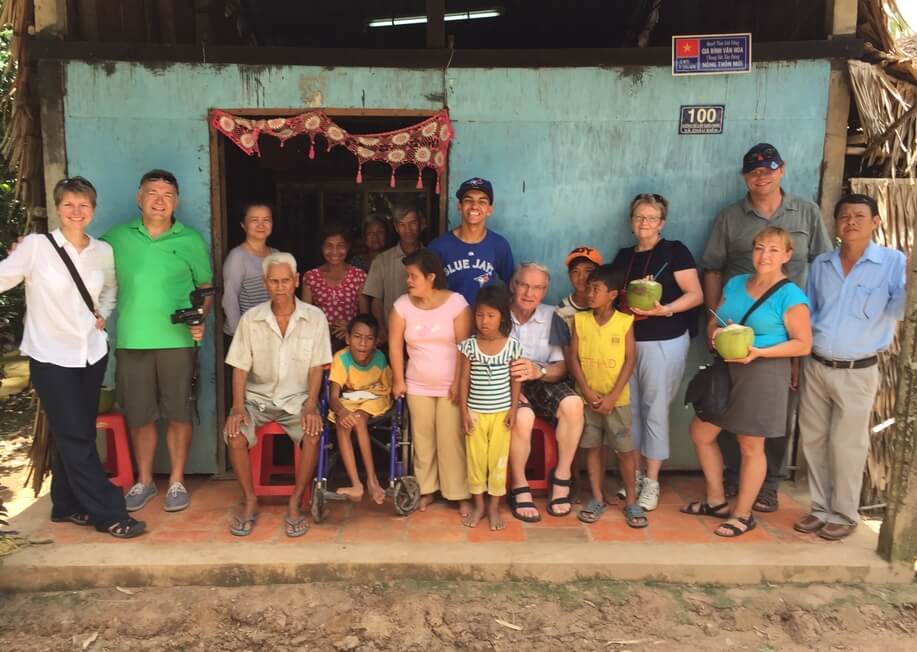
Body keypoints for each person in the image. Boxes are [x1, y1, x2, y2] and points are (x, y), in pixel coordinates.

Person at [0, 177, 144, 538]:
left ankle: (65, 504)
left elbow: (110, 287)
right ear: (57, 207)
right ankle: (109, 511)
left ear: (93, 210)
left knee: (76, 431)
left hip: (90, 353)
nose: (76, 211)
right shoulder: (36, 247)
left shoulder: (102, 251)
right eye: (69, 204)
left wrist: (102, 316)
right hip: (51, 357)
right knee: (77, 438)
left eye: (84, 205)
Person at [701, 143, 831, 512]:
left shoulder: (806, 212)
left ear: (782, 170)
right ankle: (734, 478)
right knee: (726, 407)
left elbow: (821, 267)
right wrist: (714, 323)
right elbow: (712, 267)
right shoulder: (730, 217)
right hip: (737, 328)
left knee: (773, 412)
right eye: (754, 171)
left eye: (768, 169)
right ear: (745, 177)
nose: (762, 176)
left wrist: (806, 324)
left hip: (785, 326)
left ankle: (769, 483)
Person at [683, 227, 812, 538]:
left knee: (750, 445)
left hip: (763, 372)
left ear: (786, 255)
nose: (764, 255)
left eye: (772, 249)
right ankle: (716, 500)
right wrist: (715, 332)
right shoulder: (736, 283)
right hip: (727, 369)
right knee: (701, 433)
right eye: (759, 248)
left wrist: (760, 352)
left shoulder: (790, 295)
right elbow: (717, 318)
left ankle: (743, 514)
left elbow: (803, 344)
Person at [796, 194, 907, 541]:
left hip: (858, 369)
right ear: (836, 224)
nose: (851, 222)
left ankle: (843, 513)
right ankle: (819, 508)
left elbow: (901, 308)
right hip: (817, 364)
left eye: (860, 216)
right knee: (813, 440)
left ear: (875, 222)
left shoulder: (893, 263)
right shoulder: (822, 265)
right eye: (844, 216)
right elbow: (809, 312)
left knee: (848, 444)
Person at [103, 169, 213, 513]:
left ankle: (177, 481)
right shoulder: (115, 238)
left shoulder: (190, 240)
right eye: (152, 193)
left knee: (179, 412)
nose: (159, 201)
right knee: (140, 415)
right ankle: (146, 481)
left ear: (176, 202)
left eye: (167, 195)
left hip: (178, 341)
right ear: (139, 198)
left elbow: (206, 289)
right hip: (132, 341)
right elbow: (86, 270)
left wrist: (201, 318)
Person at [223, 252, 332, 537]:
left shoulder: (315, 317)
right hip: (257, 399)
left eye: (286, 280)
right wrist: (237, 408)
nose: (280, 286)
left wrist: (311, 406)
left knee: (312, 433)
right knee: (234, 434)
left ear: (296, 281)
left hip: (297, 400)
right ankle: (249, 499)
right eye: (274, 281)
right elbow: (239, 368)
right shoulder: (251, 319)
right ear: (265, 283)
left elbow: (316, 367)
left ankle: (296, 500)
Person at [610, 194, 703, 511]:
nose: (644, 223)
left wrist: (666, 310)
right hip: (629, 341)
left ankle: (651, 481)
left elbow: (695, 294)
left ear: (661, 222)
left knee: (655, 410)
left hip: (664, 340)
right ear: (631, 220)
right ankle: (633, 476)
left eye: (651, 218)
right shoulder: (624, 257)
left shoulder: (674, 252)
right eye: (639, 217)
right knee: (631, 411)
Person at [389, 249, 472, 514]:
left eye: (413, 276)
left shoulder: (457, 304)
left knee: (451, 441)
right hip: (417, 385)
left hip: (450, 385)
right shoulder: (401, 306)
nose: (408, 281)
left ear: (431, 277)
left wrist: (459, 383)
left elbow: (464, 348)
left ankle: (457, 493)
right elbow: (394, 347)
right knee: (422, 442)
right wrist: (399, 381)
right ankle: (426, 490)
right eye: (407, 276)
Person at [566, 265, 647, 527]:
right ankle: (597, 497)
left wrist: (612, 396)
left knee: (624, 451)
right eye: (589, 288)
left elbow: (629, 360)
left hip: (617, 401)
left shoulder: (624, 322)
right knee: (592, 447)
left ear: (612, 294)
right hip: (588, 399)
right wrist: (587, 392)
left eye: (596, 289)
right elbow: (574, 360)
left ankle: (632, 502)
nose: (590, 293)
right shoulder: (580, 320)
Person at [506, 262, 584, 521]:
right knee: (523, 416)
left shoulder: (553, 316)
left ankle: (562, 475)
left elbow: (561, 368)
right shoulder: (498, 314)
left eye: (538, 288)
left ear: (545, 291)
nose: (530, 293)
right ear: (513, 285)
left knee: (573, 404)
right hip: (504, 383)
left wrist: (538, 372)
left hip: (542, 378)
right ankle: (519, 483)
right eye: (525, 285)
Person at [458, 285, 522, 530]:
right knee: (476, 462)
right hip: (475, 414)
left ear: (502, 317)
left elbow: (515, 379)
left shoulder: (512, 345)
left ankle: (494, 507)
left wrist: (513, 410)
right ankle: (480, 506)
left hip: (501, 414)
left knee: (497, 462)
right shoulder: (469, 346)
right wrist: (464, 412)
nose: (484, 321)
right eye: (480, 315)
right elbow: (464, 380)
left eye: (491, 316)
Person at [328, 313, 393, 505]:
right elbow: (333, 397)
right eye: (357, 337)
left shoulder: (380, 358)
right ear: (347, 339)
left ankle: (372, 481)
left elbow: (386, 389)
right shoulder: (341, 359)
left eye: (369, 338)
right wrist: (341, 412)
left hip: (374, 399)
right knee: (344, 422)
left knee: (358, 418)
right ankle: (357, 484)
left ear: (376, 342)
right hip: (349, 401)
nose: (362, 343)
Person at [428, 177, 514, 305]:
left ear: (490, 209)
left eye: (482, 202)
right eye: (468, 200)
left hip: (484, 322)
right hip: (449, 321)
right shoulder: (438, 246)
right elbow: (426, 290)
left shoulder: (499, 245)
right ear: (459, 206)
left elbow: (512, 286)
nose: (474, 206)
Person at [362, 203, 426, 344]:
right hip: (392, 335)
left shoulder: (431, 257)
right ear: (396, 227)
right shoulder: (382, 260)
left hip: (425, 335)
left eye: (412, 223)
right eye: (402, 225)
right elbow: (376, 300)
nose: (408, 230)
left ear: (421, 224)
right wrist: (381, 330)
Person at [301, 222, 369, 350]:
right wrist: (323, 327)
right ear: (321, 247)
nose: (334, 251)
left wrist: (350, 327)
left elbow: (365, 318)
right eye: (329, 246)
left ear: (348, 247)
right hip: (320, 344)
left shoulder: (359, 276)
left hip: (353, 345)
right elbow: (306, 317)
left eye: (340, 246)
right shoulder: (310, 277)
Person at [222, 202, 276, 336]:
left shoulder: (276, 255)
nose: (261, 225)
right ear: (243, 225)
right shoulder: (238, 257)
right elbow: (230, 299)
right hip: (247, 334)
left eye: (266, 220)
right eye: (254, 220)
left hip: (271, 333)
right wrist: (239, 337)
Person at [556, 246, 602, 331]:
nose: (581, 277)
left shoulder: (605, 305)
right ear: (569, 275)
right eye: (575, 271)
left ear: (599, 273)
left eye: (588, 271)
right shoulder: (561, 311)